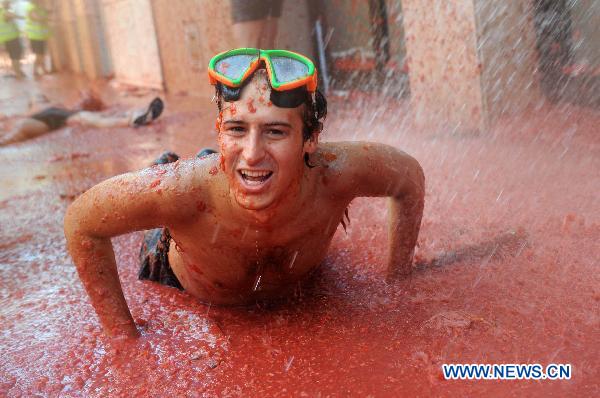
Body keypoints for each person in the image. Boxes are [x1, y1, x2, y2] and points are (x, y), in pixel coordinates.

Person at [64, 48, 425, 338]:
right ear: (219, 130)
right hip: (177, 254)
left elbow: (410, 179)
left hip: (241, 179)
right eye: (236, 129)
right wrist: (123, 337)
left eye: (275, 132)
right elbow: (82, 222)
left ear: (310, 139)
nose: (253, 150)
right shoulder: (178, 189)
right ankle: (182, 158)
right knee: (179, 179)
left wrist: (399, 276)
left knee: (248, 168)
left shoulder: (340, 171)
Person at [0, 95, 164, 146]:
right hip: (48, 120)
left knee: (11, 138)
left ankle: (133, 117)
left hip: (40, 121)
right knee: (95, 120)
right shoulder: (53, 106)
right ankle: (131, 120)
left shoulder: (41, 107)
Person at [24, 0, 49, 76]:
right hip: (35, 35)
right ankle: (35, 71)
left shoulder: (38, 7)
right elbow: (35, 17)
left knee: (42, 53)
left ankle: (42, 69)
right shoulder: (31, 7)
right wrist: (47, 18)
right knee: (39, 54)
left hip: (41, 35)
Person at [0, 0, 24, 78]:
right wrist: (25, 17)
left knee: (15, 56)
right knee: (15, 57)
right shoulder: (5, 12)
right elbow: (15, 16)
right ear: (6, 4)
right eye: (9, 3)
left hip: (9, 39)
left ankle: (18, 71)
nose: (10, 5)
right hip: (11, 39)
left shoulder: (3, 12)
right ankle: (18, 74)